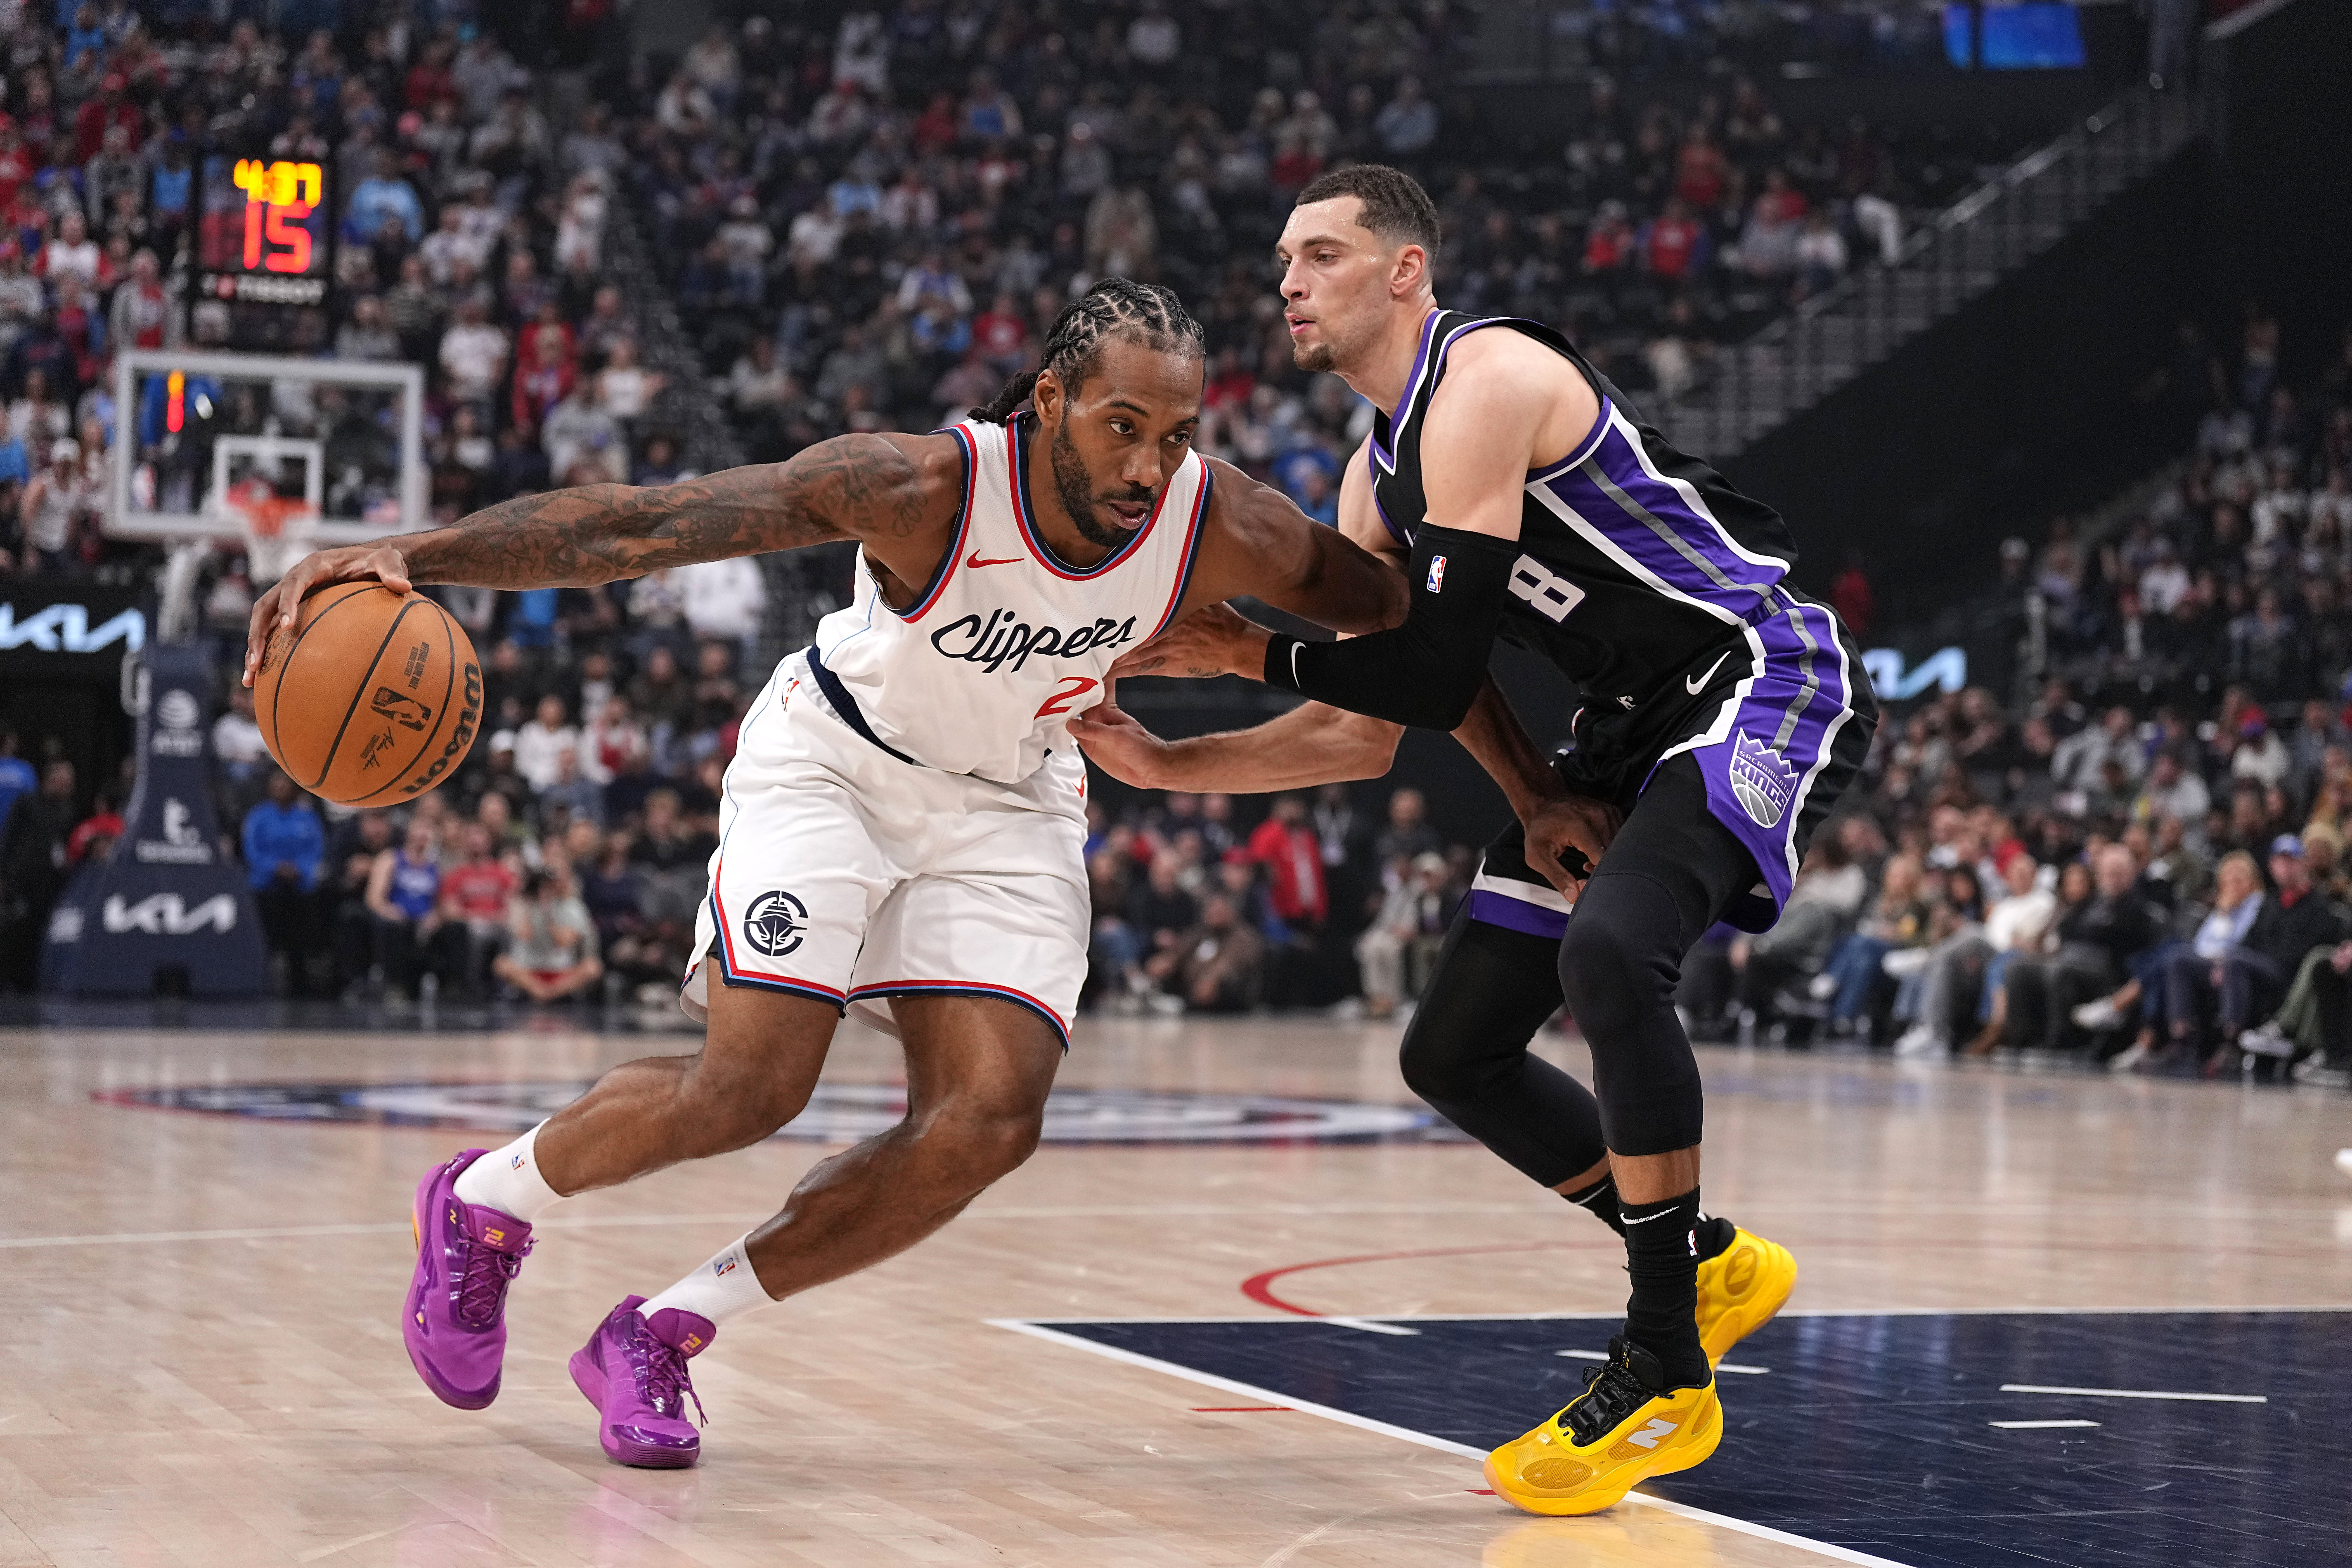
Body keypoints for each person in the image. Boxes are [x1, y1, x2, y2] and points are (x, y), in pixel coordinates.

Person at [243, 279, 1405, 1471]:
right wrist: (416, 552)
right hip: (839, 762)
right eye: (1122, 427)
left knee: (990, 1120)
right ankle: (487, 1201)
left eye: (1175, 436)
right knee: (750, 1087)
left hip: (1013, 793)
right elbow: (647, 524)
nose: (1149, 467)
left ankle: (664, 1328)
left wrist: (1345, 613)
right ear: (1050, 402)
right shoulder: (920, 489)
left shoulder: (1223, 525)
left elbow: (1400, 613)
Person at [1070, 164, 1875, 1515]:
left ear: (1403, 272)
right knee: (1453, 1048)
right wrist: (1170, 760)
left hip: (1755, 669)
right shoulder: (1371, 477)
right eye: (1282, 259)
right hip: (1624, 726)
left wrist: (1253, 651)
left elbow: (1436, 668)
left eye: (1320, 253)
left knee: (1613, 955)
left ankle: (1666, 1356)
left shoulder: (1484, 378)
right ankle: (1714, 1262)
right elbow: (1376, 728)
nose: (1289, 281)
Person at [242, 771, 325, 996]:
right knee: (266, 939)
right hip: (267, 887)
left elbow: (317, 851)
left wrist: (299, 869)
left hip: (300, 888)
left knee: (300, 941)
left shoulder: (308, 817)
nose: (281, 789)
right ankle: (262, 985)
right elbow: (252, 851)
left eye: (285, 785)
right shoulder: (259, 817)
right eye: (276, 785)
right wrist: (275, 868)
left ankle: (300, 988)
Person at [492, 868, 604, 1002]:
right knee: (502, 965)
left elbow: (564, 942)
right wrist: (529, 905)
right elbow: (525, 935)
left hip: (561, 971)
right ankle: (540, 992)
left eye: (551, 885)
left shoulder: (572, 908)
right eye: (543, 886)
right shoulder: (525, 905)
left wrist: (548, 917)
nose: (547, 890)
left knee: (593, 967)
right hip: (529, 970)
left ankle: (546, 994)